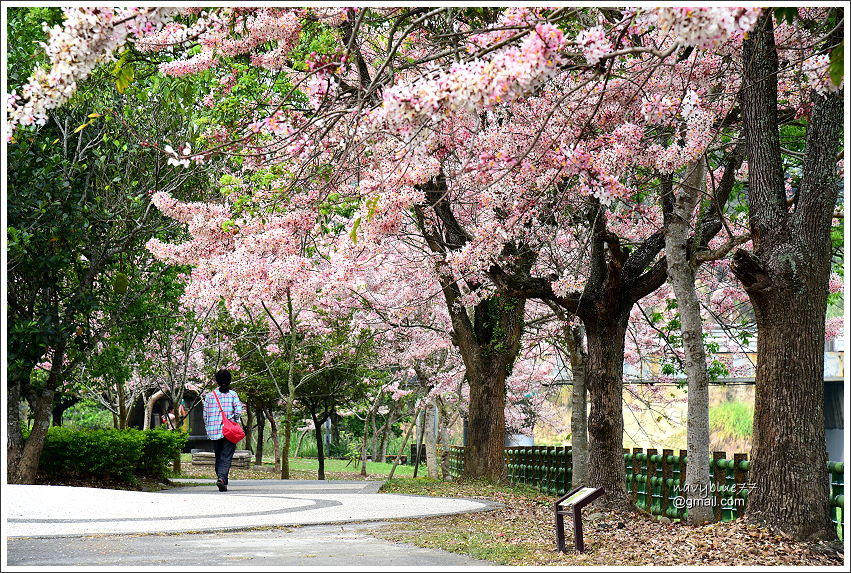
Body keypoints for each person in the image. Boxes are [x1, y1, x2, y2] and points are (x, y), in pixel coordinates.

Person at [203, 369, 242, 492]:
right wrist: (234, 422)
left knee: (219, 455)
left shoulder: (209, 396)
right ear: (229, 380)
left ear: (217, 381)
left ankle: (222, 479)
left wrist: (208, 429)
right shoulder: (232, 395)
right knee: (226, 455)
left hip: (214, 431)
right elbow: (238, 411)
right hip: (229, 430)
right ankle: (222, 478)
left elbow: (205, 415)